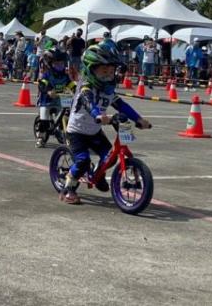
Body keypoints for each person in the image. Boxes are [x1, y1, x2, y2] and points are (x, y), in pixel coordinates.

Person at [57, 44, 152, 205]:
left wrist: (139, 119)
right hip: (77, 132)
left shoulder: (108, 91)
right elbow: (88, 103)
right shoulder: (86, 89)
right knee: (82, 161)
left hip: (94, 131)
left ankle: (97, 175)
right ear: (91, 70)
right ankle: (68, 189)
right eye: (103, 71)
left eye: (111, 71)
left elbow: (121, 105)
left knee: (110, 156)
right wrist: (98, 115)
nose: (108, 75)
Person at [34, 49, 76, 148]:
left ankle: (62, 132)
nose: (59, 66)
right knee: (44, 120)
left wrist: (76, 90)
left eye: (61, 64)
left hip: (59, 101)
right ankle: (41, 138)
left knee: (64, 118)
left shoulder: (65, 76)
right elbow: (42, 84)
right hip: (46, 101)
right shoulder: (47, 74)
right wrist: (48, 90)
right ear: (51, 64)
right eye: (57, 64)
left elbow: (70, 84)